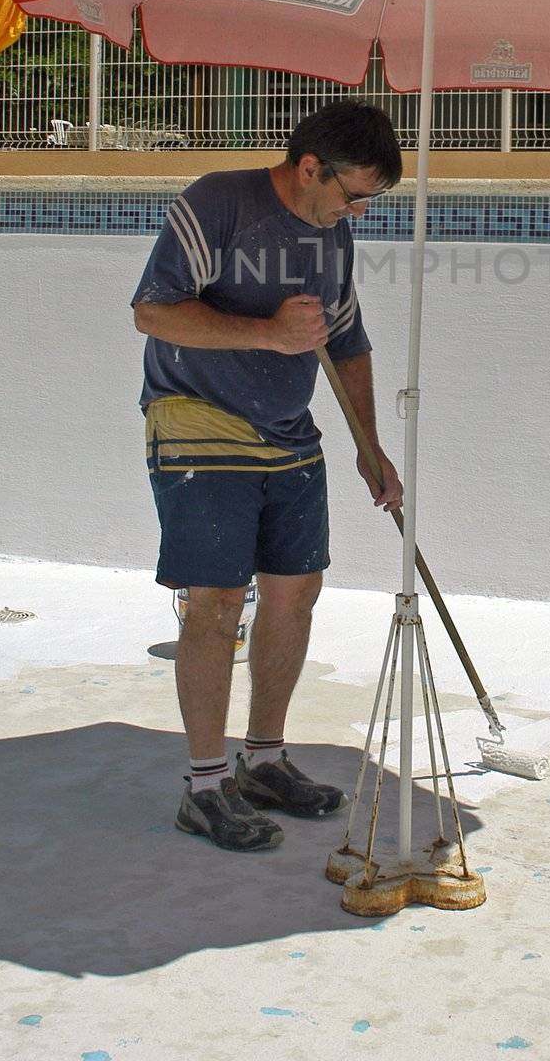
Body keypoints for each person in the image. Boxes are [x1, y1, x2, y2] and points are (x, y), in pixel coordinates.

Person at [132, 101, 404, 852]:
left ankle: (264, 759)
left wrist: (368, 444)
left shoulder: (332, 231)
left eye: (370, 201)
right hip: (197, 418)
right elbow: (153, 313)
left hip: (288, 429)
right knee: (218, 601)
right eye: (354, 195)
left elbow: (345, 338)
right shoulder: (216, 202)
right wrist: (267, 333)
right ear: (310, 167)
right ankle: (206, 785)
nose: (359, 212)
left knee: (296, 590)